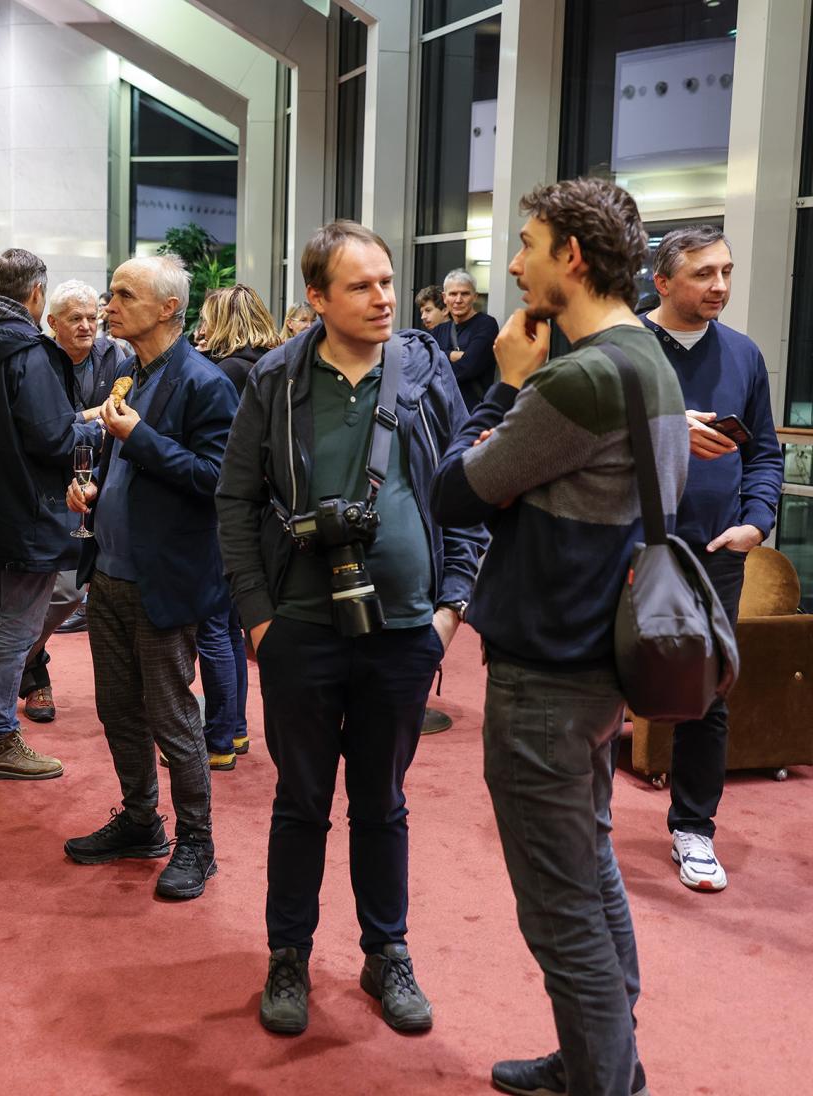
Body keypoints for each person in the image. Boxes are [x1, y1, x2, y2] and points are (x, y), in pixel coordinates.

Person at [431, 178, 685, 1096]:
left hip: (550, 668)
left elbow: (457, 490)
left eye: (529, 243)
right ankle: (599, 1059)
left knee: (560, 901)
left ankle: (602, 1075)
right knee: (589, 870)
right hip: (599, 656)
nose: (514, 263)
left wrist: (503, 383)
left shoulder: (577, 377)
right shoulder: (648, 354)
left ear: (572, 257)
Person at [216, 221, 485, 1037]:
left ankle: (386, 950)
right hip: (298, 626)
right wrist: (257, 618)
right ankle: (289, 954)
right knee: (301, 801)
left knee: (383, 801)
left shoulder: (424, 371)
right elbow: (233, 501)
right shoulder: (275, 377)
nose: (384, 298)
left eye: (388, 281)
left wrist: (449, 609)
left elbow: (469, 485)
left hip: (407, 631)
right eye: (362, 285)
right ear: (318, 297)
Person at [63, 254, 239, 900]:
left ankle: (198, 840)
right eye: (112, 293)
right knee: (117, 711)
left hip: (163, 580)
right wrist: (95, 488)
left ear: (168, 308)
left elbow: (218, 480)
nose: (109, 306)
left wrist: (138, 440)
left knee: (171, 716)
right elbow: (131, 463)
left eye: (123, 294)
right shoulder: (132, 374)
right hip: (108, 574)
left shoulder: (204, 382)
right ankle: (141, 820)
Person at [641, 225, 782, 892]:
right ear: (662, 281)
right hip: (627, 550)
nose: (719, 285)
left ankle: (693, 829)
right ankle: (575, 826)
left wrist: (756, 524)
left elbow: (764, 455)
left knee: (708, 692)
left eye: (724, 271)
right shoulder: (627, 348)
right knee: (597, 679)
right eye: (702, 274)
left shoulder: (745, 355)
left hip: (714, 552)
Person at [0, 248, 94, 780]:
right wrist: (95, 427)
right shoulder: (28, 352)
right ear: (36, 295)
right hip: (27, 508)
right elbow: (53, 438)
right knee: (18, 623)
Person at [17, 279, 122, 722]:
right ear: (53, 322)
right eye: (75, 319)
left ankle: (17, 658)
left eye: (91, 318)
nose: (86, 326)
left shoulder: (117, 357)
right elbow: (45, 427)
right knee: (57, 590)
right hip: (49, 487)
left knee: (88, 591)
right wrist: (91, 416)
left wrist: (80, 420)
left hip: (107, 481)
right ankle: (29, 668)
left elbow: (124, 413)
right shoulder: (38, 360)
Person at [194, 283, 281, 765]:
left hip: (228, 513)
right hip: (266, 514)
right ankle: (237, 729)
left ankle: (221, 738)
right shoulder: (273, 364)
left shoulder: (226, 371)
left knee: (215, 628)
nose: (200, 328)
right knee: (231, 627)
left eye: (207, 319)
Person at [434, 269, 500, 410]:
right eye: (453, 294)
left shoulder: (486, 325)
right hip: (441, 413)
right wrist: (451, 355)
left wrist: (439, 358)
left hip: (473, 413)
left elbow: (467, 368)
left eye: (464, 294)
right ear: (444, 297)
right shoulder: (439, 330)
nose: (458, 300)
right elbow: (422, 361)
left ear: (475, 297)